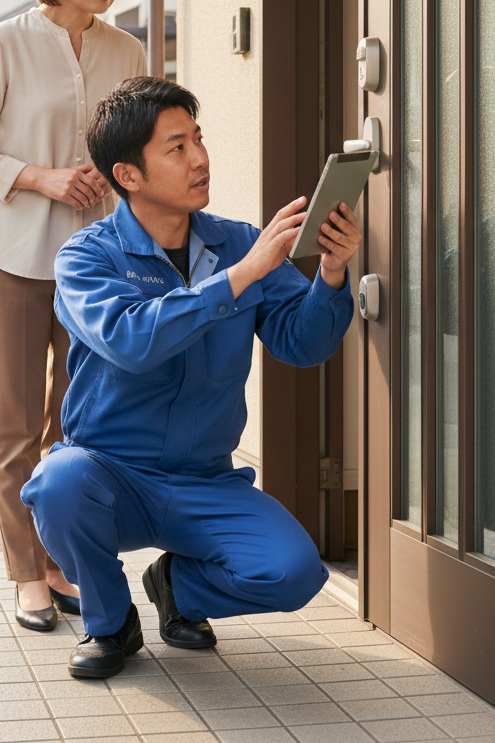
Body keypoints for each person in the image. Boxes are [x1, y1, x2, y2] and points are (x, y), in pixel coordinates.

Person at [20, 76, 362, 677]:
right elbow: (132, 340)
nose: (200, 157)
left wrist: (331, 274)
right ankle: (109, 624)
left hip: (206, 480)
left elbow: (302, 345)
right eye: (176, 148)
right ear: (128, 175)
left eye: (198, 139)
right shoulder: (85, 257)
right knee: (58, 483)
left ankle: (178, 588)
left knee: (295, 573)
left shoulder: (240, 244)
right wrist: (238, 278)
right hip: (110, 474)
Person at [0, 0, 147, 632]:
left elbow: (135, 147)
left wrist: (112, 175)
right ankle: (27, 573)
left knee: (80, 423)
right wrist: (44, 176)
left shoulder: (128, 53)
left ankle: (62, 562)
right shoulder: (2, 44)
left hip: (95, 263)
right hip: (10, 257)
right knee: (15, 426)